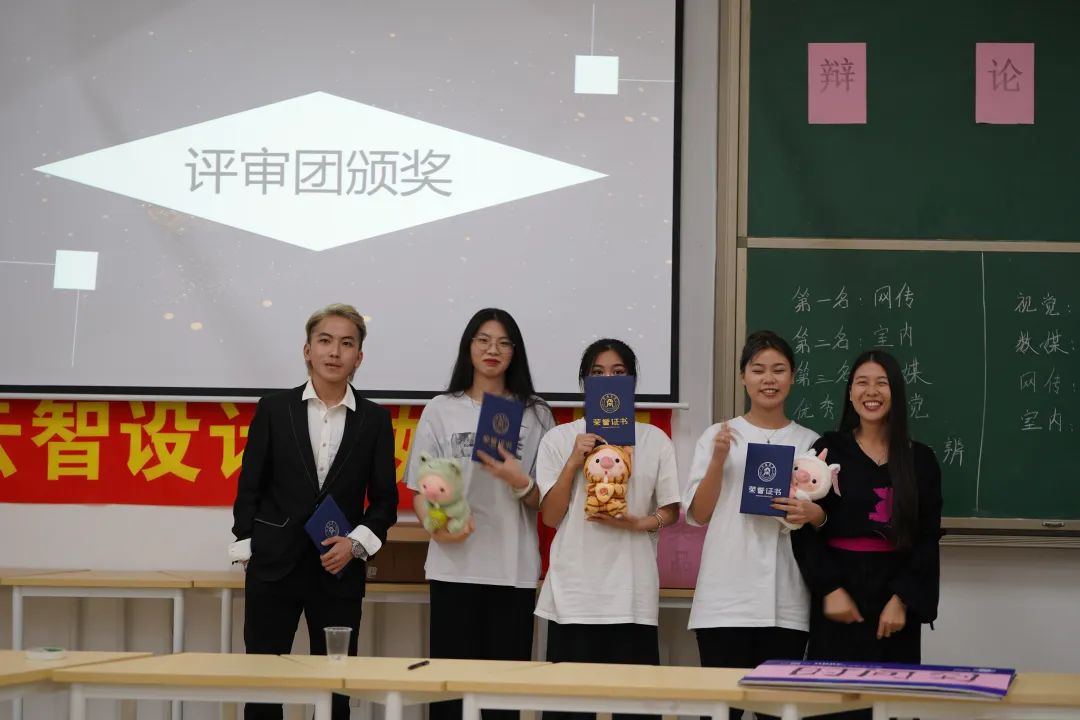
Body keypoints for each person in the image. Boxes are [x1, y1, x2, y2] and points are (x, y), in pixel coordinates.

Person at [230, 303, 398, 720]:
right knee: (263, 686)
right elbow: (250, 486)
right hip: (274, 566)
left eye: (346, 343)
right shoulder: (274, 409)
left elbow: (384, 501)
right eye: (325, 341)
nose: (334, 352)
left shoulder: (375, 420)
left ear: (359, 357)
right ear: (308, 350)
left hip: (338, 569)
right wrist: (248, 549)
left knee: (335, 690)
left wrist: (355, 545)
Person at [404, 308, 554, 720]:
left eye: (504, 342)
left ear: (515, 352)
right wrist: (436, 527)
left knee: (501, 696)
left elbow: (545, 500)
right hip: (454, 566)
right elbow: (419, 487)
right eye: (483, 340)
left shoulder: (536, 413)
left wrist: (518, 480)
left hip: (512, 568)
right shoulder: (441, 409)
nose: (493, 349)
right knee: (449, 693)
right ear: (468, 347)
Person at [535, 338, 680, 720]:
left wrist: (639, 523)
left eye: (618, 372)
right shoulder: (559, 439)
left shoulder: (654, 439)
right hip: (574, 598)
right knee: (567, 712)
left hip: (632, 595)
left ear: (632, 381)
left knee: (637, 711)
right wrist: (573, 461)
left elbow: (671, 510)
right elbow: (550, 516)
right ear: (584, 382)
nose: (608, 380)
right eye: (597, 373)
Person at [793, 350, 942, 719]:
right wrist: (829, 589)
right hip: (840, 597)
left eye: (881, 383)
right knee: (835, 708)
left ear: (897, 392)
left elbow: (927, 538)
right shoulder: (826, 451)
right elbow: (803, 528)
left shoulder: (920, 459)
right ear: (850, 392)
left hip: (895, 599)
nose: (871, 392)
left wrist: (903, 599)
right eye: (862, 382)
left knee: (892, 706)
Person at [683, 330, 823, 720]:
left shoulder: (810, 442)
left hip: (786, 601)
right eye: (758, 369)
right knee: (720, 712)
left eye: (779, 369)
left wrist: (809, 513)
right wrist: (718, 460)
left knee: (777, 713)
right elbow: (699, 514)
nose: (768, 379)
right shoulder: (718, 436)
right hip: (724, 602)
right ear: (743, 377)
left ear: (793, 377)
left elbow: (820, 521)